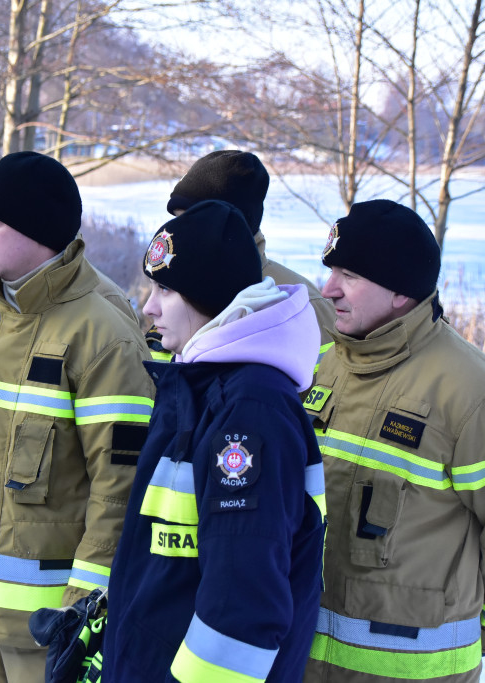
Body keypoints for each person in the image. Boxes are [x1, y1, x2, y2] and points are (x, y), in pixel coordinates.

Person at [0, 151, 155, 682]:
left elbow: (121, 491)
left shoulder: (103, 337)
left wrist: (82, 614)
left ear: (40, 230)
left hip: (48, 631)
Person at [304, 199, 485, 682]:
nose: (329, 289)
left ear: (401, 292)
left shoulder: (470, 390)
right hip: (305, 663)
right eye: (331, 270)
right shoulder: (327, 362)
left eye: (350, 275)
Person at [103, 200, 327, 682]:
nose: (148, 307)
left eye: (165, 288)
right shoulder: (204, 388)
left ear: (209, 297)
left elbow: (242, 606)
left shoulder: (249, 409)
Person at [155, 149, 336, 369]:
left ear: (232, 223)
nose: (178, 233)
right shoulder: (174, 289)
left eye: (192, 221)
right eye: (177, 220)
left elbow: (320, 388)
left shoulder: (297, 303)